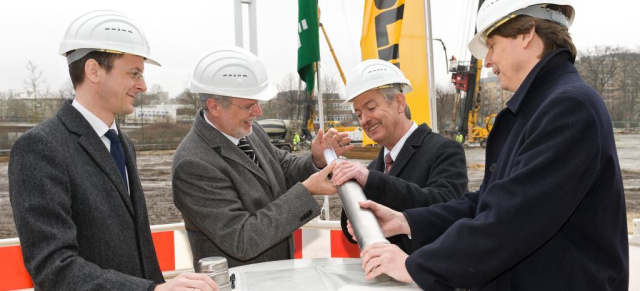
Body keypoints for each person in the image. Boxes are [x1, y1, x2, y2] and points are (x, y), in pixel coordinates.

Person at [358, 1, 629, 290]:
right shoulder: (540, 108)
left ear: (526, 34)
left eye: (492, 45)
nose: (487, 61)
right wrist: (407, 221)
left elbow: (514, 220)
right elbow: (488, 202)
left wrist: (414, 265)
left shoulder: (568, 108)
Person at [8, 11, 217, 291]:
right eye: (134, 73)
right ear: (93, 70)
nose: (143, 85)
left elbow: (138, 248)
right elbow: (53, 267)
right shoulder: (40, 147)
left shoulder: (122, 144)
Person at [172, 46, 352, 268]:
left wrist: (316, 160)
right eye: (249, 105)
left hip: (274, 276)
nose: (258, 112)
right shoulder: (194, 164)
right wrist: (307, 190)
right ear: (214, 106)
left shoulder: (250, 131)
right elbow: (242, 239)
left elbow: (282, 169)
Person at [331, 59, 468, 253]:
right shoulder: (372, 169)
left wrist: (372, 181)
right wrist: (349, 191)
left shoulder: (444, 151)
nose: (364, 120)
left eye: (371, 108)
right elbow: (352, 233)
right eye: (359, 114)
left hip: (429, 279)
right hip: (384, 278)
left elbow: (447, 207)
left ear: (399, 102)